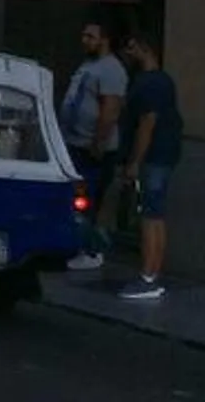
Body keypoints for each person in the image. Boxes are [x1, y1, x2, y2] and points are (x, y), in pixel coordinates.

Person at [116, 34, 184, 301]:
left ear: (145, 49)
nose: (128, 54)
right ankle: (151, 273)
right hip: (163, 154)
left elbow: (148, 122)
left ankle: (148, 275)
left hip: (154, 156)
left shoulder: (150, 83)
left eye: (132, 48)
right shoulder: (163, 81)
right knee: (155, 214)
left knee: (149, 215)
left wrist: (134, 160)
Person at [59, 17, 127, 270]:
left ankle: (91, 250)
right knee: (75, 198)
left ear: (104, 40)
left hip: (93, 147)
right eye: (84, 35)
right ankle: (76, 245)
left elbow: (110, 110)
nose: (84, 40)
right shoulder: (89, 65)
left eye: (90, 36)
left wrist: (98, 143)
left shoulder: (111, 69)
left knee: (88, 199)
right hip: (75, 141)